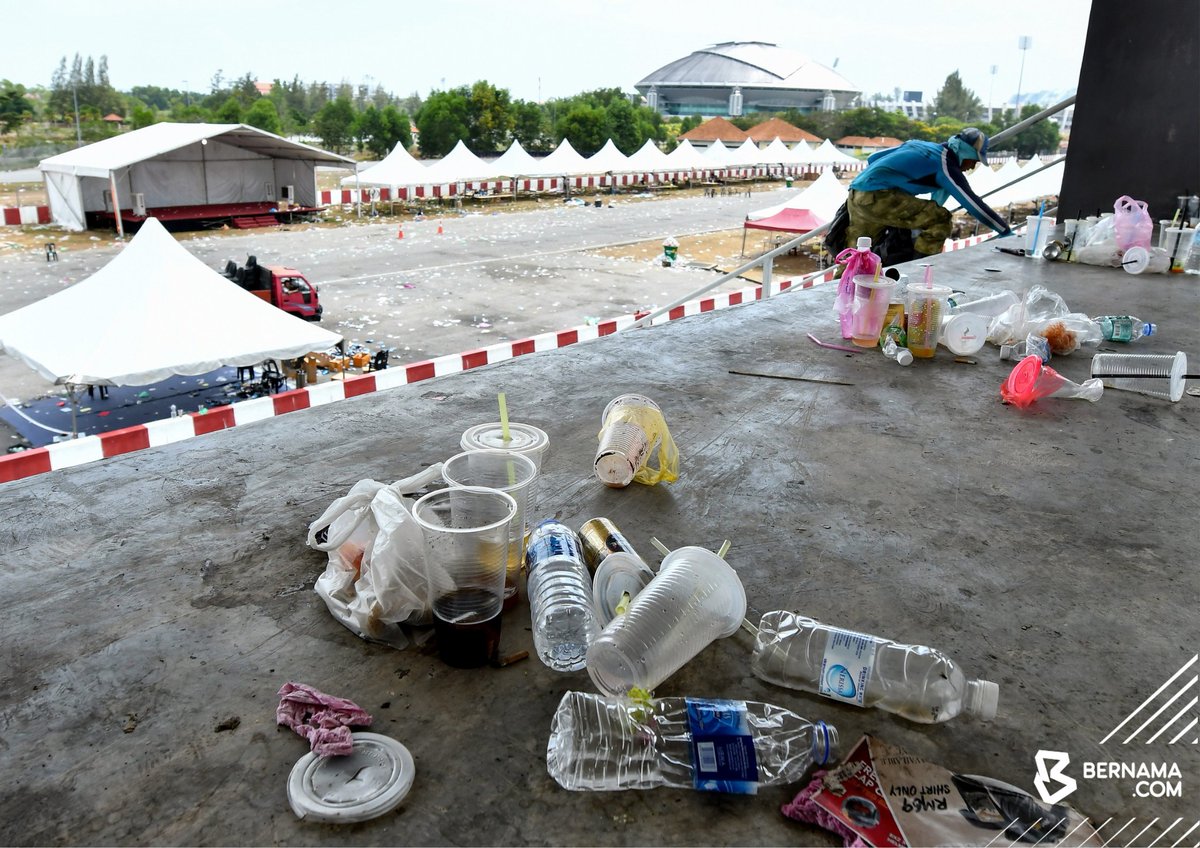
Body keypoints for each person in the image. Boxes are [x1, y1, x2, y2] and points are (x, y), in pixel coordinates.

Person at [842, 128, 1012, 259]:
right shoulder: (946, 165)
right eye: (973, 160)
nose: (972, 167)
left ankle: (837, 290)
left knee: (858, 252)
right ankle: (921, 271)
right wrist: (1005, 231)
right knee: (940, 219)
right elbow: (973, 204)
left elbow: (873, 158)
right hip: (880, 197)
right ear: (965, 153)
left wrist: (897, 181)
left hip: (857, 193)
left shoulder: (920, 145)